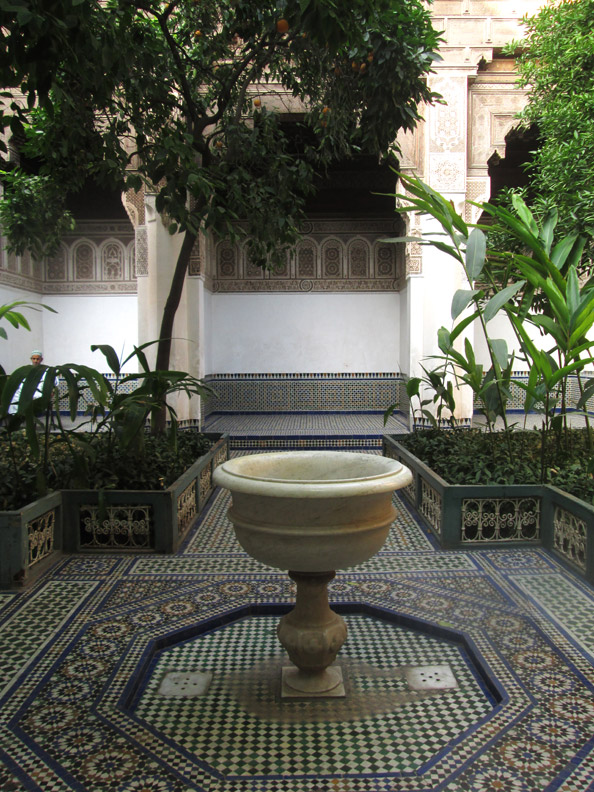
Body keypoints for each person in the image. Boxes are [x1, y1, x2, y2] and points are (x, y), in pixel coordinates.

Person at [7, 350, 49, 414]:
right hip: (26, 389)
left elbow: (52, 382)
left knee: (32, 397)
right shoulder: (27, 369)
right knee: (15, 396)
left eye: (37, 359)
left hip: (39, 391)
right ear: (31, 359)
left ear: (41, 359)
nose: (35, 361)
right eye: (34, 359)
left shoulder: (46, 370)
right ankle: (16, 415)